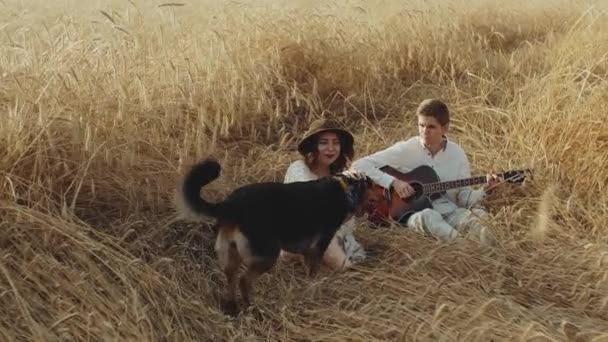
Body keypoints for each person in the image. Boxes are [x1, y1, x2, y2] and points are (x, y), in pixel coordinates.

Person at [351, 99, 500, 247]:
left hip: (449, 210)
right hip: (416, 214)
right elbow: (359, 164)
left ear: (445, 128)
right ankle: (465, 248)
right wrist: (394, 182)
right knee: (429, 217)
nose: (424, 131)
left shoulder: (457, 154)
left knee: (480, 218)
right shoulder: (406, 149)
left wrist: (485, 191)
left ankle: (489, 257)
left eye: (431, 127)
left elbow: (464, 197)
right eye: (421, 125)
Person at [283, 118, 366, 270]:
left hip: (337, 243)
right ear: (313, 146)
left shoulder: (342, 177)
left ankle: (343, 267)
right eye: (323, 142)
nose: (331, 148)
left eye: (336, 142)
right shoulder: (299, 168)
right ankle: (347, 272)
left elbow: (349, 220)